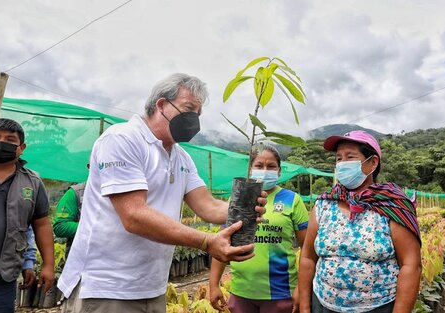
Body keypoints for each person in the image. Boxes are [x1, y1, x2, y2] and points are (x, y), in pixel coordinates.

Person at [57, 73, 267, 313]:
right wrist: (207, 241)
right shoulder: (122, 139)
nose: (194, 120)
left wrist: (242, 209)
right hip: (107, 288)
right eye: (189, 109)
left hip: (151, 286)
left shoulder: (181, 157)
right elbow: (134, 215)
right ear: (161, 104)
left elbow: (206, 205)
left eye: (198, 114)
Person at [298, 130, 422, 313]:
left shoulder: (393, 206)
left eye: (350, 157)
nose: (342, 164)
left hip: (377, 308)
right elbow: (308, 258)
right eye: (338, 158)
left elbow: (411, 265)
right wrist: (305, 307)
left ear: (372, 162)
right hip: (322, 304)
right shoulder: (324, 204)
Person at [210, 144, 309, 313]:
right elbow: (222, 242)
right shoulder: (238, 199)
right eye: (259, 166)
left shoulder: (292, 200)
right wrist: (213, 284)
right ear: (250, 170)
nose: (265, 170)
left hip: (281, 293)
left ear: (279, 171)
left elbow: (306, 249)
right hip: (241, 291)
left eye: (271, 166)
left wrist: (301, 288)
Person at [0, 118, 55, 313]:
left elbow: (41, 224)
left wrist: (48, 265)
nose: (1, 143)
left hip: (3, 279)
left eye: (10, 140)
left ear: (21, 147)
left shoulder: (32, 182)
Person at [53, 181, 86, 258]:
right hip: (80, 259)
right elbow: (60, 226)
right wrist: (95, 229)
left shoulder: (118, 191)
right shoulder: (76, 193)